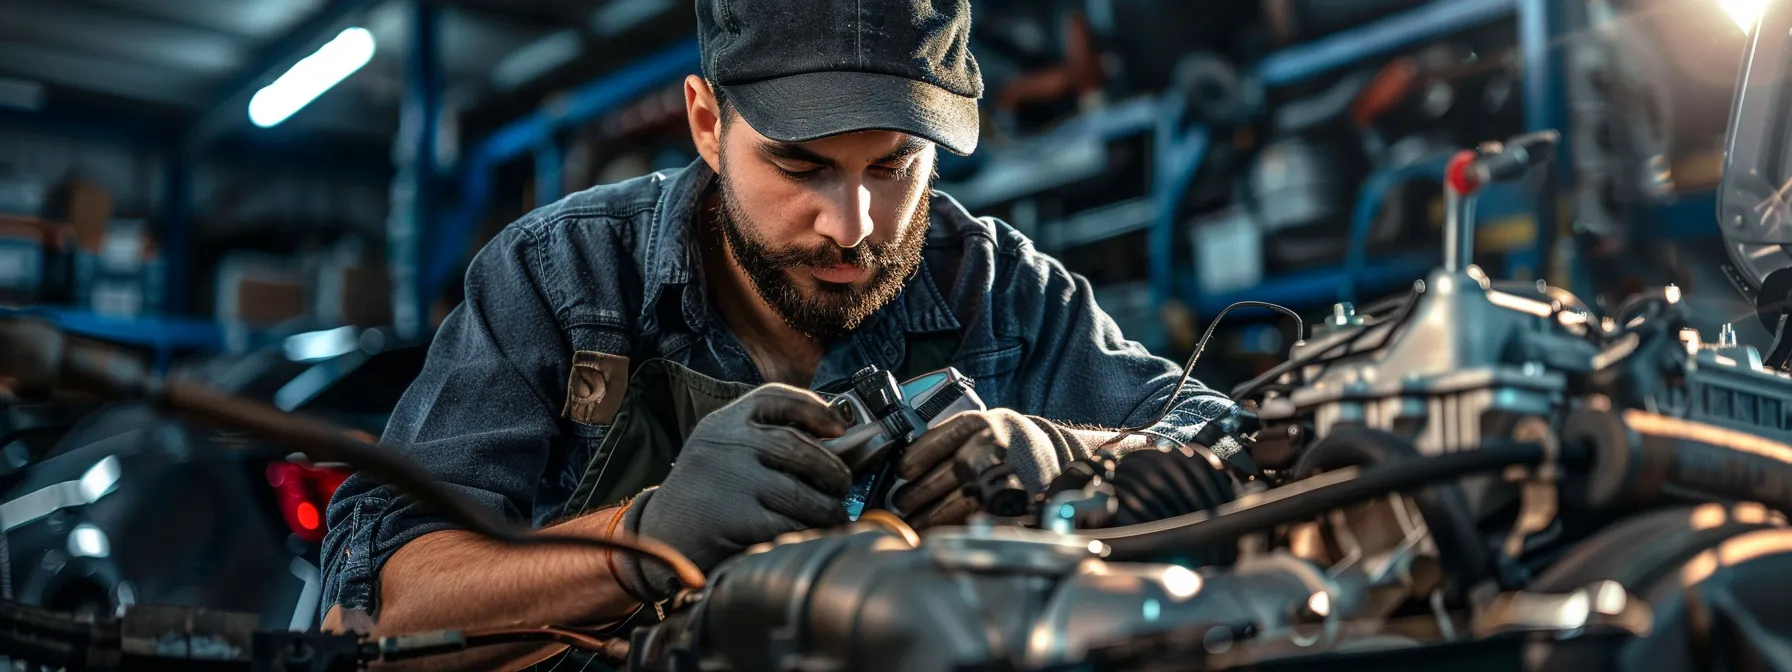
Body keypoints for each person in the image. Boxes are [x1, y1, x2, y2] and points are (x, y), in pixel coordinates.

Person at [320, 0, 1245, 667]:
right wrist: (643, 536)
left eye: (894, 166)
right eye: (800, 165)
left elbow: (1234, 439)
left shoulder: (998, 287)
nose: (854, 226)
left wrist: (1071, 453)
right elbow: (391, 605)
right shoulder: (563, 278)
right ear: (706, 122)